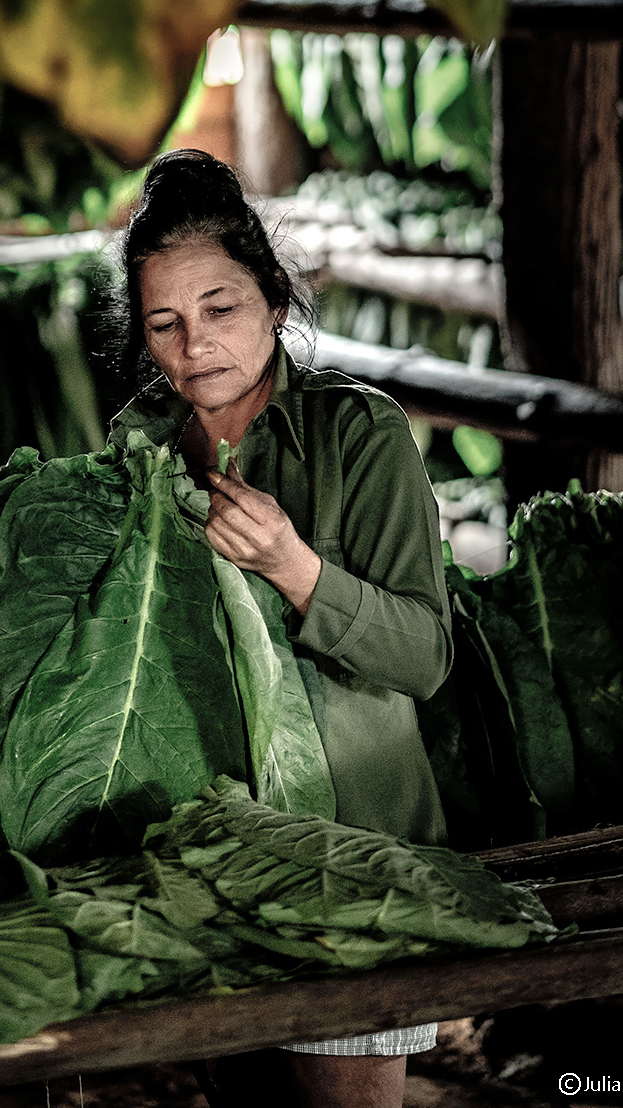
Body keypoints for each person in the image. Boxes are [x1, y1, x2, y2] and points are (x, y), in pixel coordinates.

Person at [111, 150, 453, 1108]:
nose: (194, 347)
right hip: (207, 855)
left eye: (219, 309)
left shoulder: (360, 436)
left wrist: (296, 570)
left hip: (352, 856)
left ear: (272, 297)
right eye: (164, 324)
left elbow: (425, 657)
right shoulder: (140, 446)